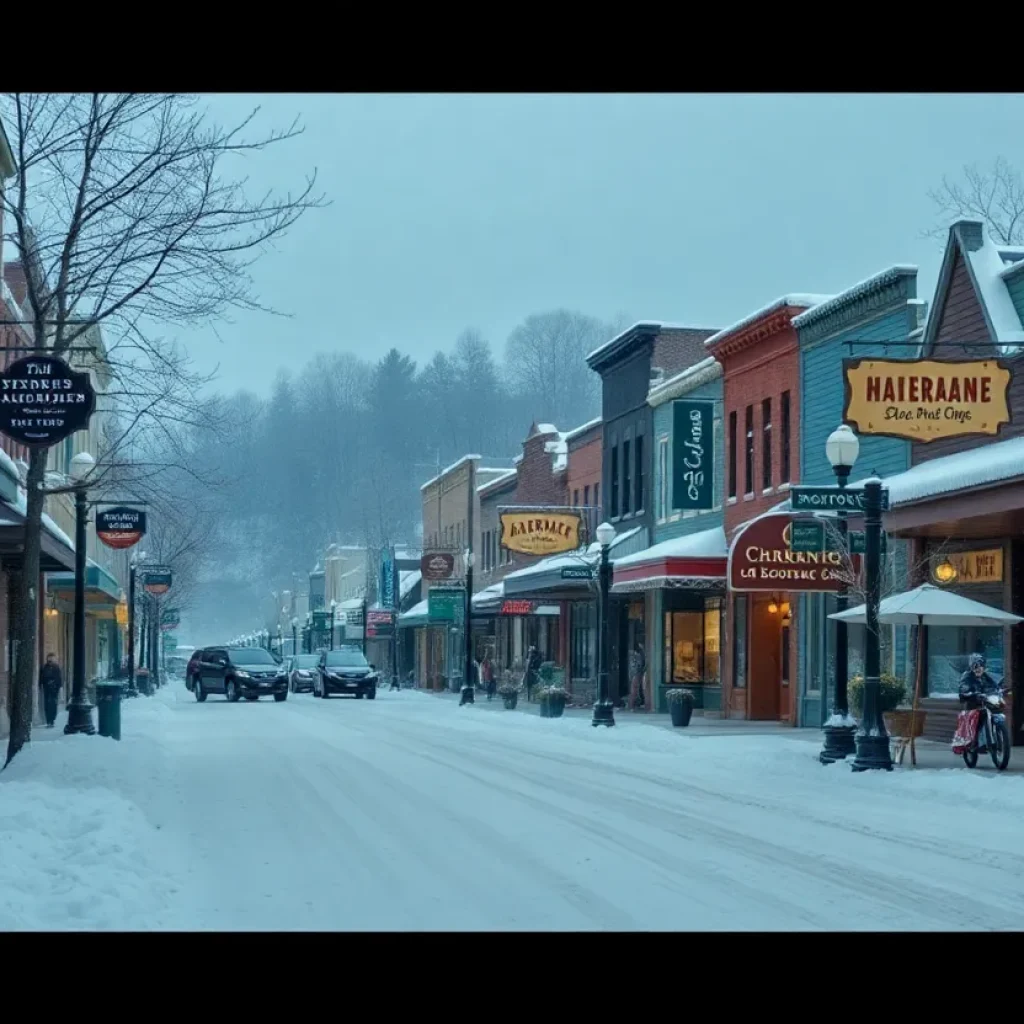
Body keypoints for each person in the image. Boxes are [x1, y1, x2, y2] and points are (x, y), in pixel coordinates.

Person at [958, 653, 1001, 753]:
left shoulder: (986, 676)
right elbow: (963, 688)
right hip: (972, 704)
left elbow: (995, 685)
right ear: (971, 667)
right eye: (975, 666)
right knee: (976, 719)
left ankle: (995, 738)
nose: (979, 669)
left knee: (995, 710)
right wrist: (971, 693)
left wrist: (1000, 690)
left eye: (981, 666)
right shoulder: (967, 676)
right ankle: (974, 743)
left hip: (985, 702)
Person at [39, 653, 63, 729]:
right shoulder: (44, 668)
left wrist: (58, 687)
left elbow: (59, 679)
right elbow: (41, 678)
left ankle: (52, 720)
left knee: (53, 704)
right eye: (49, 659)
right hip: (46, 688)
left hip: (54, 689)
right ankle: (48, 721)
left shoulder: (56, 668)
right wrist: (41, 685)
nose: (50, 660)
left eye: (52, 659)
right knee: (47, 704)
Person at [628, 642, 646, 711]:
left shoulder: (635, 656)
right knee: (634, 689)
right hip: (636, 674)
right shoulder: (637, 656)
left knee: (636, 689)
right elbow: (638, 665)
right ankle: (631, 706)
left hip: (636, 674)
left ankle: (632, 705)